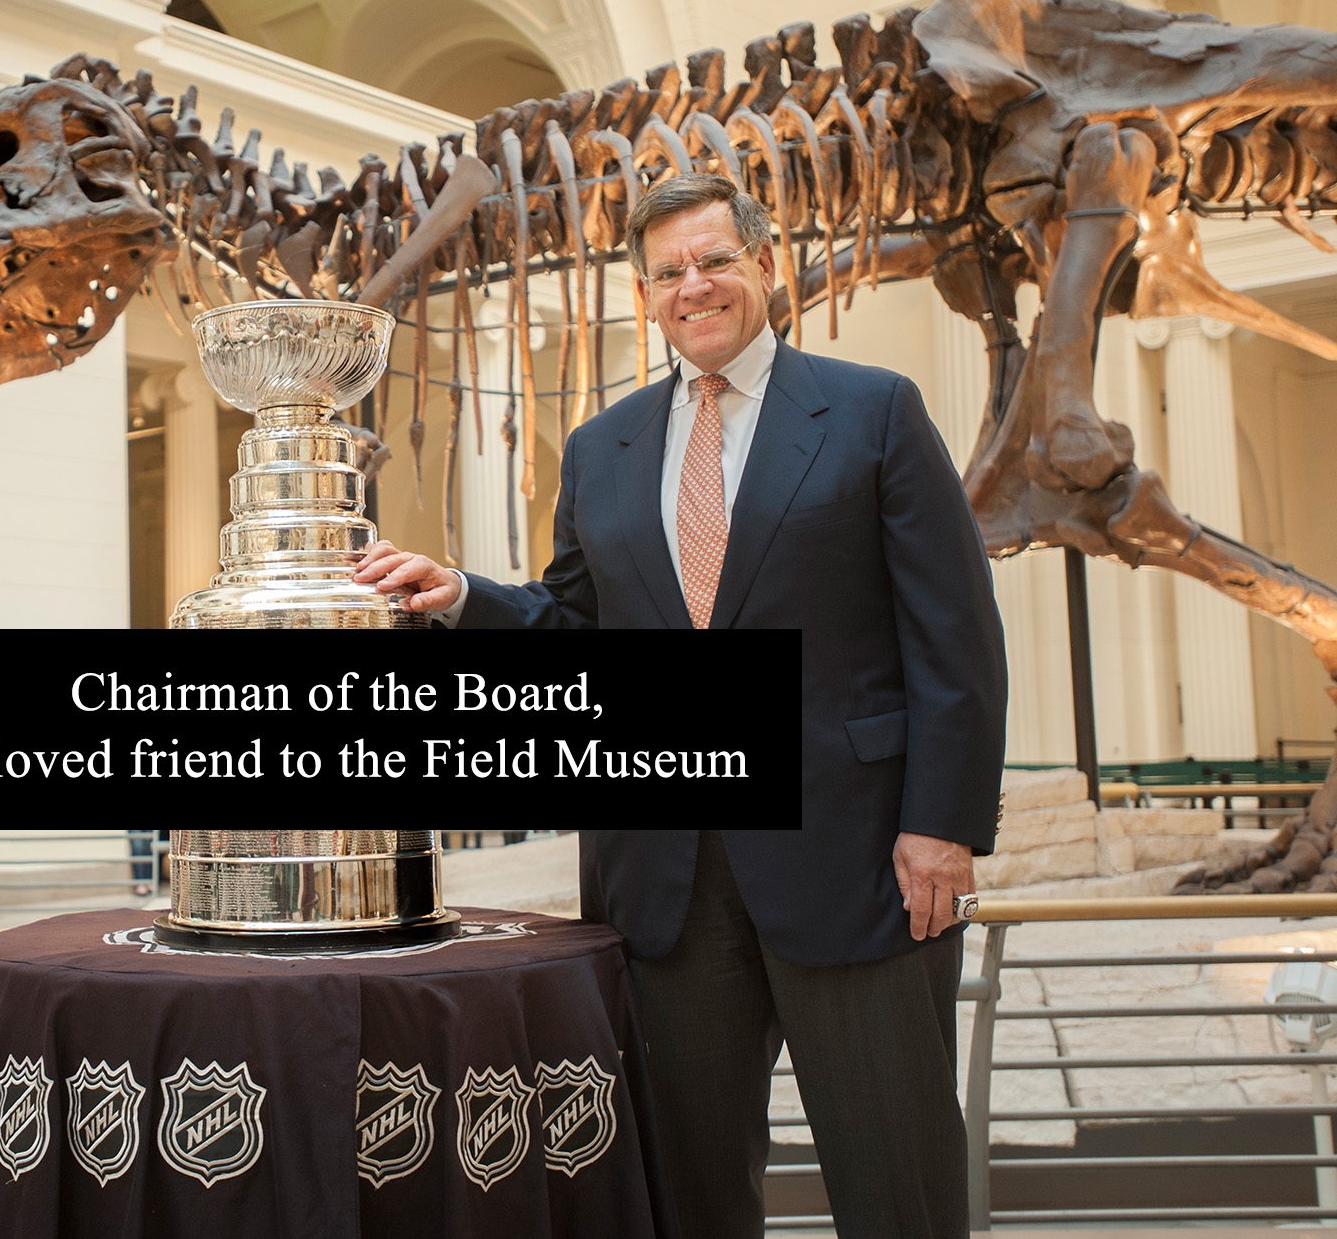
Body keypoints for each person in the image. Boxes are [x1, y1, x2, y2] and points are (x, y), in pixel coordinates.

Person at [351, 173, 1008, 1238]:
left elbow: (955, 635)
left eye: (712, 260)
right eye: (666, 272)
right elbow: (577, 626)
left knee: (898, 1178)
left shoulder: (872, 408)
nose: (691, 285)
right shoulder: (601, 447)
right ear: (644, 293)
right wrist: (465, 594)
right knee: (687, 1188)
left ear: (762, 262)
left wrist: (941, 826)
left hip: (858, 859)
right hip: (662, 874)